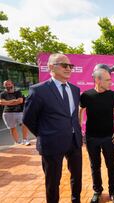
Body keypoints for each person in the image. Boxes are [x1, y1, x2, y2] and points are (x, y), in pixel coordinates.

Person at [23, 53, 83, 203]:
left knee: (77, 177)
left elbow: (72, 116)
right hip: (51, 144)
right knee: (52, 182)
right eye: (64, 65)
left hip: (74, 141)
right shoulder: (38, 90)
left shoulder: (75, 90)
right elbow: (28, 119)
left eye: (70, 66)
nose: (68, 68)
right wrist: (45, 134)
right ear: (51, 67)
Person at [79, 64, 114, 203]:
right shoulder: (86, 95)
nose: (111, 82)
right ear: (98, 80)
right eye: (108, 80)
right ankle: (97, 191)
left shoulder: (112, 95)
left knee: (111, 164)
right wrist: (80, 130)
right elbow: (80, 111)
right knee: (94, 165)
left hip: (109, 138)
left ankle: (113, 191)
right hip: (91, 138)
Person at [0, 80, 30, 145]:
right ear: (4, 85)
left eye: (9, 84)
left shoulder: (18, 92)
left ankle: (25, 140)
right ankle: (17, 142)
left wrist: (7, 102)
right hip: (7, 113)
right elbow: (1, 103)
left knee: (24, 124)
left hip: (19, 112)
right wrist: (14, 100)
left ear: (12, 84)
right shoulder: (2, 94)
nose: (8, 86)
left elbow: (20, 101)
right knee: (12, 128)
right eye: (6, 84)